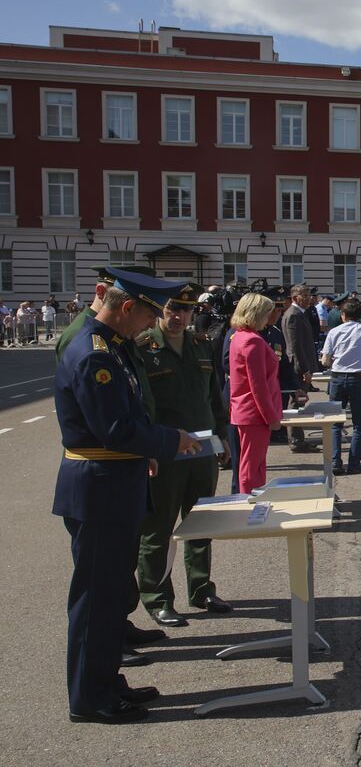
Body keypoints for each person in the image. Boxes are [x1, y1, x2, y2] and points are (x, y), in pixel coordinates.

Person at [52, 268, 201, 724]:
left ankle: (106, 682)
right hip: (100, 487)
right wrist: (166, 441)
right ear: (127, 307)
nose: (147, 327)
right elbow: (114, 428)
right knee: (97, 600)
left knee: (112, 594)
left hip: (116, 480)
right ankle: (90, 698)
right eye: (146, 316)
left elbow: (125, 416)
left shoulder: (112, 347)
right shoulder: (94, 354)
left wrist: (143, 453)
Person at [135, 284, 233, 627]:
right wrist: (147, 450)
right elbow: (140, 406)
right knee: (158, 529)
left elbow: (213, 398)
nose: (179, 317)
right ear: (162, 309)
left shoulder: (200, 345)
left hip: (203, 449)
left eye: (186, 310)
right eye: (173, 309)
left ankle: (202, 588)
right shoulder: (144, 348)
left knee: (201, 523)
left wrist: (222, 439)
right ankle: (158, 598)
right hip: (165, 452)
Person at [228, 293, 284, 494]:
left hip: (247, 411)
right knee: (252, 467)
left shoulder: (240, 336)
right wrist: (271, 417)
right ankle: (249, 506)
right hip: (255, 414)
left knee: (253, 464)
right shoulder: (253, 341)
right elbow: (258, 386)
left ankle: (253, 503)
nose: (270, 317)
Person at [321, 297, 361, 475]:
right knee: (359, 424)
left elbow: (325, 361)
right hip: (359, 379)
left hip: (338, 379)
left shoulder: (334, 332)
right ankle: (354, 463)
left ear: (343, 315)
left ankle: (335, 462)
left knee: (335, 424)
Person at [281, 284, 320, 454]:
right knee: (297, 401)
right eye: (305, 295)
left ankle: (298, 438)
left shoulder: (298, 314)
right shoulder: (293, 315)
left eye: (308, 295)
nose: (308, 299)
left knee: (300, 401)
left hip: (301, 365)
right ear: (296, 298)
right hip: (297, 366)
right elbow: (295, 346)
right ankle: (296, 440)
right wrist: (305, 369)